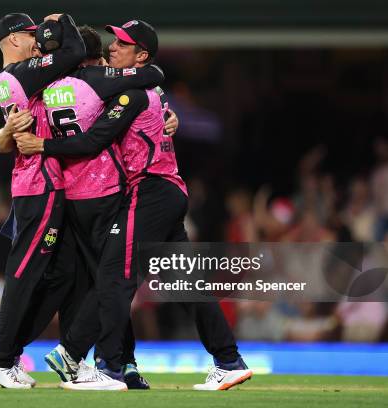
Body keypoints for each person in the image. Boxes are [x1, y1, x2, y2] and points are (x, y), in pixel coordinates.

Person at [16, 20, 251, 391]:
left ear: (139, 55)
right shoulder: (148, 89)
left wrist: (42, 146)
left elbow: (94, 140)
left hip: (150, 191)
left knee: (114, 275)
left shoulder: (133, 95)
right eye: (115, 40)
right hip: (169, 190)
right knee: (186, 285)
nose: (113, 46)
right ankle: (228, 360)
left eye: (123, 43)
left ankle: (107, 368)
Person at [0, 12, 86, 389]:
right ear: (12, 40)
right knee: (25, 270)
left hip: (40, 184)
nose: (37, 41)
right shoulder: (20, 73)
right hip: (38, 185)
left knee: (59, 274)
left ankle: (7, 352)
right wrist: (65, 21)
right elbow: (74, 51)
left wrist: (4, 132)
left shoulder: (11, 79)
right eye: (30, 35)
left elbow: (6, 140)